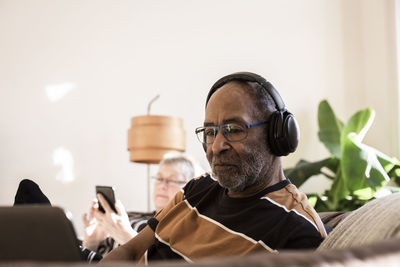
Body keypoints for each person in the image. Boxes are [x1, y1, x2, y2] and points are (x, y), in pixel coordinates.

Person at [101, 72, 328, 263]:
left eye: (234, 129)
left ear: (275, 135)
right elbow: (129, 251)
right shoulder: (198, 188)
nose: (216, 146)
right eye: (210, 132)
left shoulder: (296, 231)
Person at [81, 152, 197, 259]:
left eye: (172, 180)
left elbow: (167, 261)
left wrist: (126, 236)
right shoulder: (130, 215)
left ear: (190, 188)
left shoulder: (182, 228)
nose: (162, 186)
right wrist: (91, 242)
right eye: (159, 178)